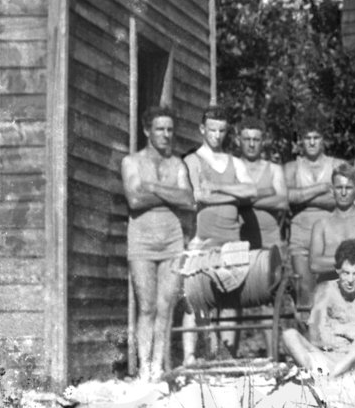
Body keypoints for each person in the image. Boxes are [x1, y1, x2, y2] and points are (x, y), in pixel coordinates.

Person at [121, 107, 194, 382]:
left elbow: (188, 200)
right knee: (147, 306)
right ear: (146, 131)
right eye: (160, 129)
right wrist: (171, 194)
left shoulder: (178, 164)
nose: (166, 135)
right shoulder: (131, 162)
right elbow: (134, 200)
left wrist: (152, 188)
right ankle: (144, 369)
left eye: (170, 130)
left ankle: (159, 368)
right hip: (141, 240)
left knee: (166, 306)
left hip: (172, 240)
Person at [182, 105, 259, 363]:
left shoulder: (233, 162)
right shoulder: (193, 160)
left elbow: (251, 192)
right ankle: (191, 357)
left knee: (231, 297)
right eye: (212, 129)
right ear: (202, 129)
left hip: (232, 237)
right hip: (203, 238)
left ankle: (227, 356)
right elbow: (197, 195)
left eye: (222, 130)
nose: (217, 135)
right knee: (195, 295)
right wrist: (231, 190)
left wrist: (219, 188)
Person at [281, 239, 355, 378]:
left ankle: (332, 377)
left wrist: (344, 331)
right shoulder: (325, 290)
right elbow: (315, 335)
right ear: (337, 271)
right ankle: (327, 375)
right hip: (328, 358)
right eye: (345, 273)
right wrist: (346, 334)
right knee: (289, 335)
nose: (350, 280)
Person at [285, 123, 339, 307]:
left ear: (323, 140)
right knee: (305, 293)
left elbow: (340, 198)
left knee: (332, 294)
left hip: (331, 236)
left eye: (316, 137)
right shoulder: (292, 167)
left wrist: (303, 197)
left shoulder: (336, 165)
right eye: (307, 138)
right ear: (301, 141)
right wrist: (322, 188)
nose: (312, 142)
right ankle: (307, 336)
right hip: (301, 238)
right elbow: (287, 197)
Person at [310, 162, 355, 284]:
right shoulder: (321, 225)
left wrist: (333, 263)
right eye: (339, 188)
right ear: (332, 190)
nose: (343, 193)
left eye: (348, 188)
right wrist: (354, 261)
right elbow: (314, 264)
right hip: (328, 290)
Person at [236, 117, 289, 251]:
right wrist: (265, 194)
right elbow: (229, 201)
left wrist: (246, 200)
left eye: (256, 140)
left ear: (263, 142)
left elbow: (282, 202)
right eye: (247, 139)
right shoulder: (231, 167)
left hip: (269, 242)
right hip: (238, 242)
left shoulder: (274, 169)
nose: (252, 144)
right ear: (238, 141)